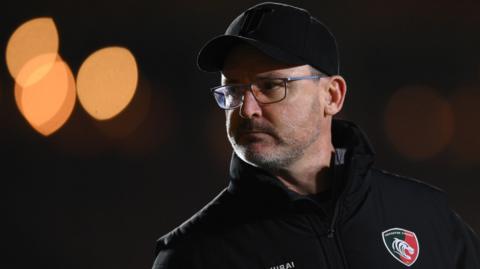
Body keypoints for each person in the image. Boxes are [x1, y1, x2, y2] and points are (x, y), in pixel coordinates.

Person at [151, 2, 480, 268]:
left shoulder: (424, 215)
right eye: (234, 90)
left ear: (332, 96)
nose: (246, 109)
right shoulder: (194, 255)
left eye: (270, 86)